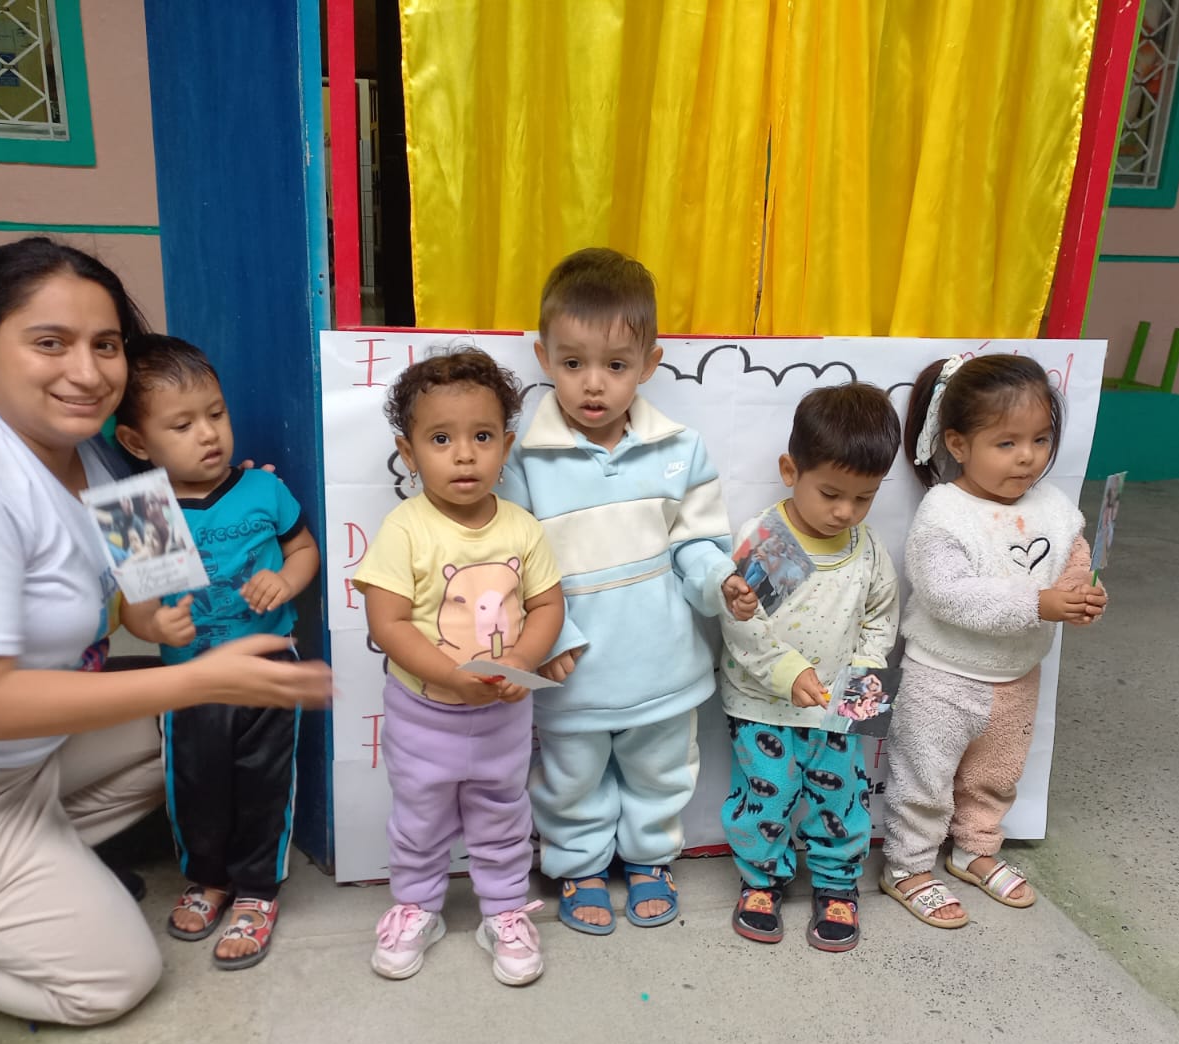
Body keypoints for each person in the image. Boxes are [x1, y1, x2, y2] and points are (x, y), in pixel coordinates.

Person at [0, 238, 331, 1022]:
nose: (86, 373)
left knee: (199, 727)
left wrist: (228, 518)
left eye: (106, 345)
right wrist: (200, 677)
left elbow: (148, 593)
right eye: (50, 343)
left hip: (20, 763)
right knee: (112, 978)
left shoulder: (100, 456)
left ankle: (20, 873)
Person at [497, 247, 757, 935]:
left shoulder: (681, 448)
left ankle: (648, 859)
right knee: (570, 778)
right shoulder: (523, 458)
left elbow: (696, 543)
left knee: (661, 772)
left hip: (662, 661)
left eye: (615, 365)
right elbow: (511, 564)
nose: (593, 384)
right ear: (542, 357)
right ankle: (579, 866)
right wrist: (550, 638)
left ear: (649, 363)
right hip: (570, 669)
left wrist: (722, 581)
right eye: (572, 363)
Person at [354, 349, 565, 985]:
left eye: (482, 437)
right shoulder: (405, 529)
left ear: (506, 446)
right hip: (424, 714)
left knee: (503, 814)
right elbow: (388, 623)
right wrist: (448, 675)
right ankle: (417, 906)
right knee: (420, 817)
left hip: (503, 714)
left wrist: (523, 658)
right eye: (441, 439)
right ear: (409, 452)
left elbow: (548, 605)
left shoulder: (522, 529)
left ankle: (504, 911)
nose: (465, 456)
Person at [112, 335, 321, 970]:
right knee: (195, 783)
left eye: (216, 414)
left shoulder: (263, 490)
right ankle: (208, 879)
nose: (208, 434)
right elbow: (135, 611)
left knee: (264, 782)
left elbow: (303, 549)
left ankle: (257, 891)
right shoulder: (142, 511)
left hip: (267, 668)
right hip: (191, 678)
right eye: (182, 425)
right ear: (137, 442)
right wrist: (157, 624)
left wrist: (286, 580)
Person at [879, 353, 1106, 929]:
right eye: (1006, 443)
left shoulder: (1053, 507)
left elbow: (1074, 557)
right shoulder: (945, 512)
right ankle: (907, 865)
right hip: (942, 678)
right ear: (958, 444)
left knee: (996, 774)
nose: (1027, 457)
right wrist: (1038, 603)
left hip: (1016, 676)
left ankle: (975, 849)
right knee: (924, 776)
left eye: (1040, 439)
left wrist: (1080, 594)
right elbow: (946, 593)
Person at [719, 383, 901, 951]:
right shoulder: (774, 543)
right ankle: (761, 882)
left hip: (838, 708)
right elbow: (744, 624)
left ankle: (837, 883)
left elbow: (880, 616)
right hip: (764, 706)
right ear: (790, 471)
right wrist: (788, 673)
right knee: (765, 796)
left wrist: (864, 674)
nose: (845, 511)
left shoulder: (866, 547)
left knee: (842, 799)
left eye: (864, 497)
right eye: (830, 493)